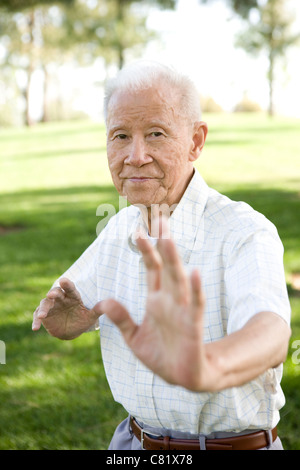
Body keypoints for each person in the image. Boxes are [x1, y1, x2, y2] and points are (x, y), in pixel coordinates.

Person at [32, 61, 291, 450]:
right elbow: (71, 314)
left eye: (156, 134)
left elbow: (270, 331)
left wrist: (209, 366)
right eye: (120, 136)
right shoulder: (119, 228)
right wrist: (68, 320)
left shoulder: (244, 232)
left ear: (196, 141)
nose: (135, 156)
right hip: (132, 444)